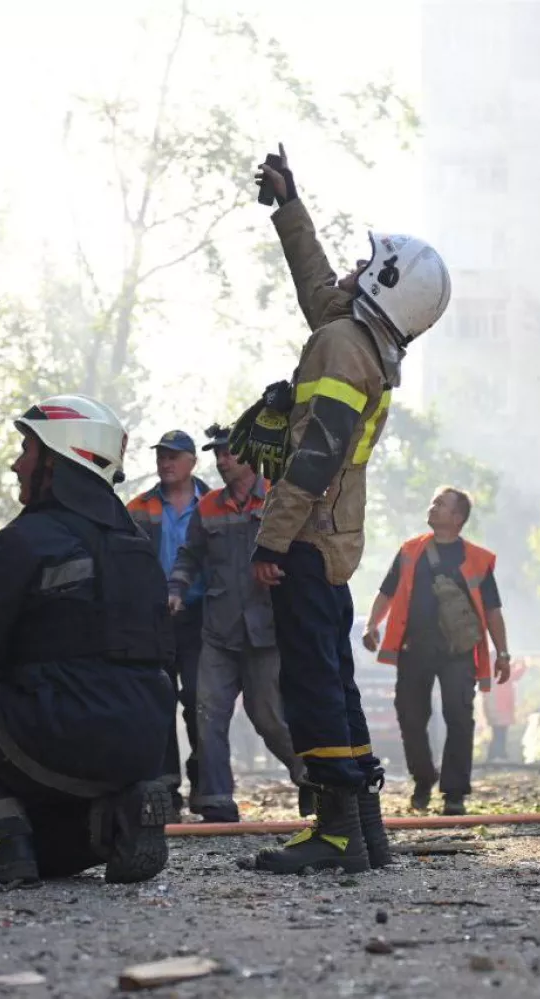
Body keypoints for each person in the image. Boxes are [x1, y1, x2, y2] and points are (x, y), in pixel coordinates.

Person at [229, 144, 450, 874]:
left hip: (305, 536)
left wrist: (269, 542)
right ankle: (362, 826)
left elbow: (314, 458)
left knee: (311, 682)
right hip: (335, 540)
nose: (352, 270)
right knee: (332, 676)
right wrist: (290, 206)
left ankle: (332, 830)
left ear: (384, 284)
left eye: (367, 265)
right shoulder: (358, 339)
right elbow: (319, 286)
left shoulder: (338, 350)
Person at [0, 393, 176, 885]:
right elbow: (85, 639)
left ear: (56, 460)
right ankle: (109, 824)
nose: (16, 465)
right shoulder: (137, 546)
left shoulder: (25, 539)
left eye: (26, 450)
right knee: (44, 858)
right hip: (145, 745)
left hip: (66, 734)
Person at [169, 423, 306, 823]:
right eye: (218, 455)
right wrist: (175, 589)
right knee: (207, 711)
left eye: (230, 454)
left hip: (267, 631)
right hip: (219, 631)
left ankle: (311, 779)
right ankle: (215, 801)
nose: (223, 461)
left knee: (269, 719)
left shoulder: (279, 499)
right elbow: (189, 556)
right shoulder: (208, 506)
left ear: (251, 457)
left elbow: (302, 555)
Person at [363, 487, 509, 816]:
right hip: (415, 649)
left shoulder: (477, 560)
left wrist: (503, 653)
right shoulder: (410, 551)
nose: (432, 507)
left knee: (459, 717)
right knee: (410, 717)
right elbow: (386, 592)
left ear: (457, 518)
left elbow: (493, 610)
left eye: (440, 504)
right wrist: (372, 624)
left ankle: (454, 793)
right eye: (433, 502)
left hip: (459, 652)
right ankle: (424, 777)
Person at [128, 430, 212, 818]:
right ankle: (166, 791)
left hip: (202, 618)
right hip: (153, 619)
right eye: (162, 455)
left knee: (198, 699)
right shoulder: (139, 507)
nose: (166, 462)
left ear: (193, 461)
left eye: (174, 456)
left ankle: (203, 781)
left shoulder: (214, 504)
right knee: (158, 699)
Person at [484, 657, 526, 762]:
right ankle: (497, 755)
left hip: (500, 709)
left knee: (499, 733)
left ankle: (498, 755)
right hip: (500, 709)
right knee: (499, 733)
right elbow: (517, 674)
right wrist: (522, 664)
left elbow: (516, 675)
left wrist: (521, 664)